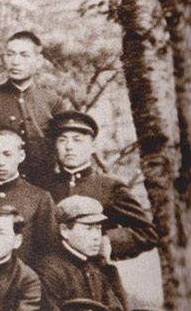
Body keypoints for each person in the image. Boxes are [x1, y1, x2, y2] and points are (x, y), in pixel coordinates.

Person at [44, 110, 157, 260]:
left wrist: (106, 242)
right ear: (55, 146)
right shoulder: (44, 186)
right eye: (62, 140)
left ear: (92, 147)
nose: (69, 147)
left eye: (77, 140)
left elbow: (146, 232)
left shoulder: (109, 187)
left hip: (96, 273)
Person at [0, 31, 68, 187]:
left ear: (38, 61)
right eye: (10, 54)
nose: (15, 61)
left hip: (43, 186)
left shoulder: (53, 102)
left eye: (24, 55)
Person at [36, 195, 131, 311]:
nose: (96, 237)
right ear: (64, 231)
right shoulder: (49, 271)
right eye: (89, 228)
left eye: (98, 228)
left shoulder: (95, 268)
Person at [0, 127, 59, 264]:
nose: (0, 162)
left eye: (7, 154)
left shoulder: (39, 198)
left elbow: (49, 253)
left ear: (21, 156)